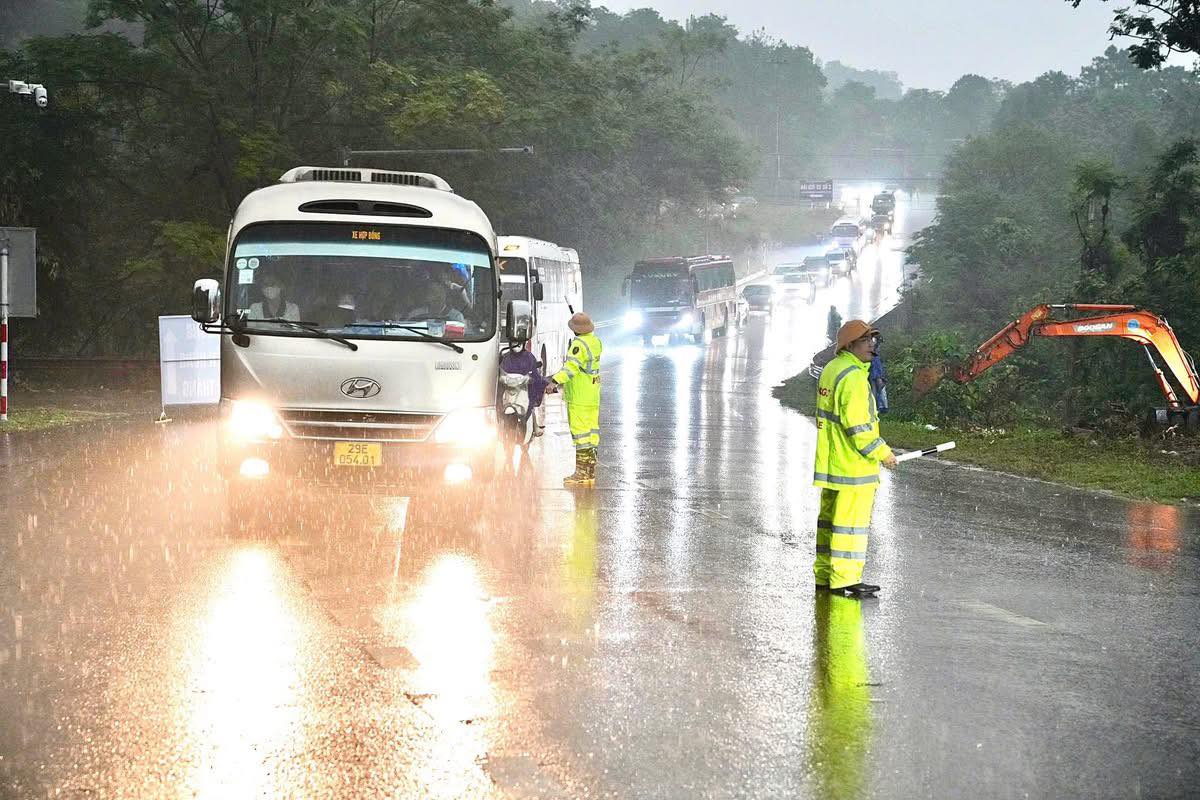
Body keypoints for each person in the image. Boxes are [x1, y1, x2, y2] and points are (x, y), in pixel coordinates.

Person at [813, 320, 898, 598]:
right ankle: (846, 579)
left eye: (874, 340)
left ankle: (825, 574)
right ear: (850, 345)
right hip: (853, 467)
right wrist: (883, 453)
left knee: (830, 524)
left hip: (833, 463)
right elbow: (859, 428)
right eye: (865, 341)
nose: (872, 346)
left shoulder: (832, 369)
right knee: (850, 527)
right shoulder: (852, 377)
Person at [546, 312, 602, 487]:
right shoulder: (595, 342)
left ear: (575, 330)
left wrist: (554, 381)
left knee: (580, 435)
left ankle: (582, 473)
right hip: (593, 394)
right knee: (591, 434)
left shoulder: (578, 345)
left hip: (579, 396)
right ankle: (590, 470)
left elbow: (571, 369)